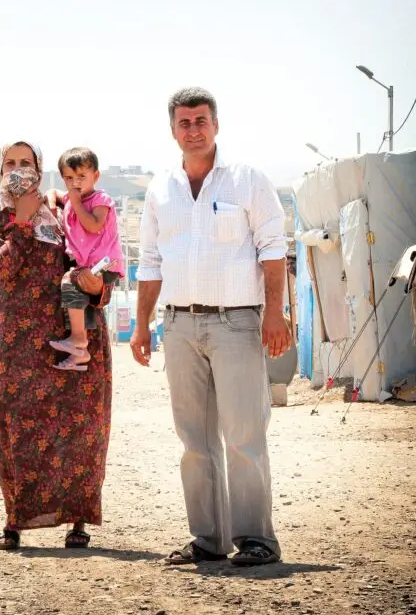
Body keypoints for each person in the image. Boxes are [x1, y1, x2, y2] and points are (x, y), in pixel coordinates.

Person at [132, 87, 289, 567]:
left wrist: (275, 314)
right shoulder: (161, 189)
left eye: (200, 120)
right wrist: (142, 327)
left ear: (216, 125)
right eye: (184, 122)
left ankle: (257, 539)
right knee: (193, 441)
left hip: (236, 322)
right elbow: (149, 262)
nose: (193, 129)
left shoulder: (247, 180)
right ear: (173, 130)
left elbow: (272, 248)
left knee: (244, 435)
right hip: (178, 326)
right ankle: (207, 538)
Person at [0, 141, 113, 551]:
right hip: (22, 345)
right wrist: (19, 222)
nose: (19, 170)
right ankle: (15, 521)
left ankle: (78, 520)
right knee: (18, 431)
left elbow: (90, 256)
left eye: (27, 163)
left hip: (75, 338)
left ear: (39, 169)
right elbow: (3, 268)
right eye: (10, 163)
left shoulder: (62, 208)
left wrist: (100, 288)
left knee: (81, 429)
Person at [46, 147, 124, 371]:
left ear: (95, 176)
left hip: (104, 263)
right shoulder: (71, 198)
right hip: (87, 265)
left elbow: (93, 225)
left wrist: (76, 202)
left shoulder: (101, 199)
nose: (75, 183)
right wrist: (53, 198)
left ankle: (78, 339)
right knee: (78, 302)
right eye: (69, 178)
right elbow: (54, 192)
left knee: (69, 282)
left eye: (82, 176)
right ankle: (80, 355)